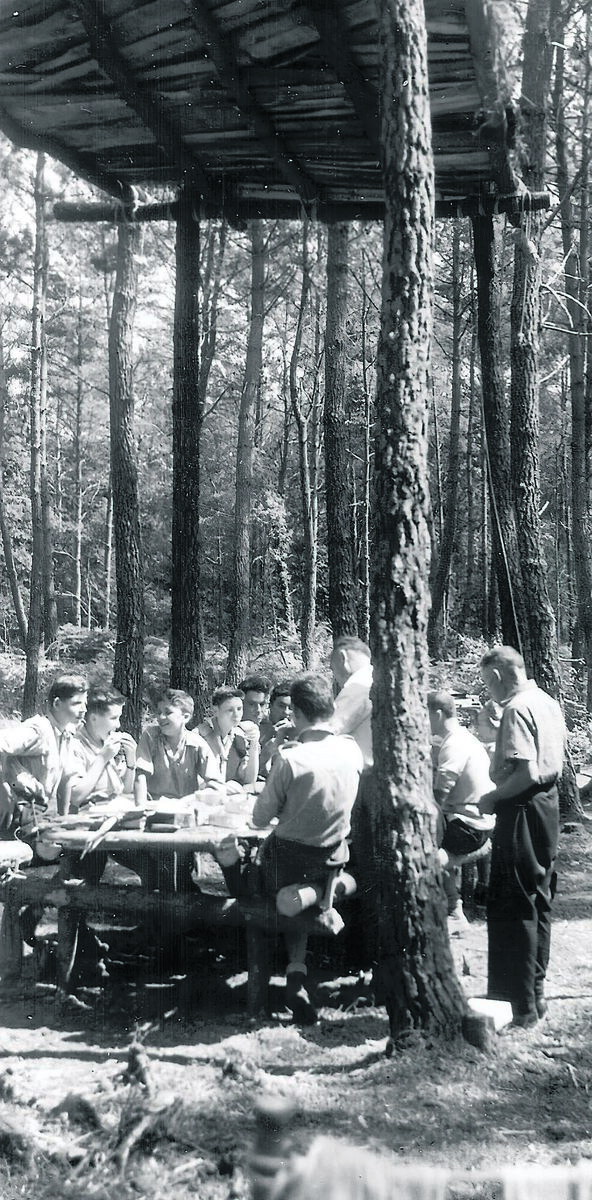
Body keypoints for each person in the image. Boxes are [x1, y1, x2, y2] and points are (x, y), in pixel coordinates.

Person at [251, 674, 363, 1024]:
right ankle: (296, 973)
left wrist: (283, 754)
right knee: (298, 889)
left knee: (247, 876)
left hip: (285, 863)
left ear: (296, 713)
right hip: (331, 858)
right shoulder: (350, 750)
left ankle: (261, 974)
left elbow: (258, 818)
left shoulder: (292, 760)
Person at [479, 646, 566, 1028]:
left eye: (487, 683)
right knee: (539, 898)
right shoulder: (546, 701)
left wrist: (492, 796)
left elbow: (526, 773)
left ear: (497, 676)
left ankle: (521, 1005)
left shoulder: (516, 708)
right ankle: (536, 994)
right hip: (548, 807)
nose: (489, 692)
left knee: (515, 905)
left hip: (522, 809)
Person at [427, 690, 494, 930]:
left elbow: (439, 796)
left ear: (436, 714)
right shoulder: (463, 737)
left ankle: (453, 911)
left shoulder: (453, 744)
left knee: (423, 855)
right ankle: (453, 908)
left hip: (470, 827)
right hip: (478, 821)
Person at [0, 674, 88, 819]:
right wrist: (4, 789)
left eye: (85, 703)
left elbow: (65, 781)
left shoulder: (66, 735)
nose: (83, 709)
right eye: (76, 703)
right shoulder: (39, 730)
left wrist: (63, 820)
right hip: (19, 811)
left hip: (41, 812)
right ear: (57, 704)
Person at [135, 688, 214, 804]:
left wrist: (192, 799)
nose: (160, 717)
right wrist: (141, 810)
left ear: (185, 717)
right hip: (154, 808)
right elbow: (140, 775)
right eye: (159, 712)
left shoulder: (197, 744)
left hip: (185, 809)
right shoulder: (150, 736)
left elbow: (216, 785)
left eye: (168, 712)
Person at [68, 686, 137, 811]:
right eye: (113, 718)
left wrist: (131, 762)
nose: (118, 724)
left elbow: (126, 791)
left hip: (114, 813)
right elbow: (75, 797)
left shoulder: (106, 743)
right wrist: (102, 758)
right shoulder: (75, 746)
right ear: (94, 718)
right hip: (86, 820)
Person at [197, 686, 259, 791]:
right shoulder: (200, 736)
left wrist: (254, 744)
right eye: (230, 710)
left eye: (239, 709)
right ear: (215, 710)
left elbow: (249, 780)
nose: (237, 715)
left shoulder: (240, 737)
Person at [328, 636, 373, 767]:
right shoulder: (374, 681)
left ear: (343, 659)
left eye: (333, 669)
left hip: (363, 777)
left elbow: (328, 731)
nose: (335, 677)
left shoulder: (357, 686)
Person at [259, 680, 294, 777]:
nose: (286, 712)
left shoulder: (297, 729)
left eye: (290, 707)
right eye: (281, 706)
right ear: (270, 705)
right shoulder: (259, 725)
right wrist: (269, 735)